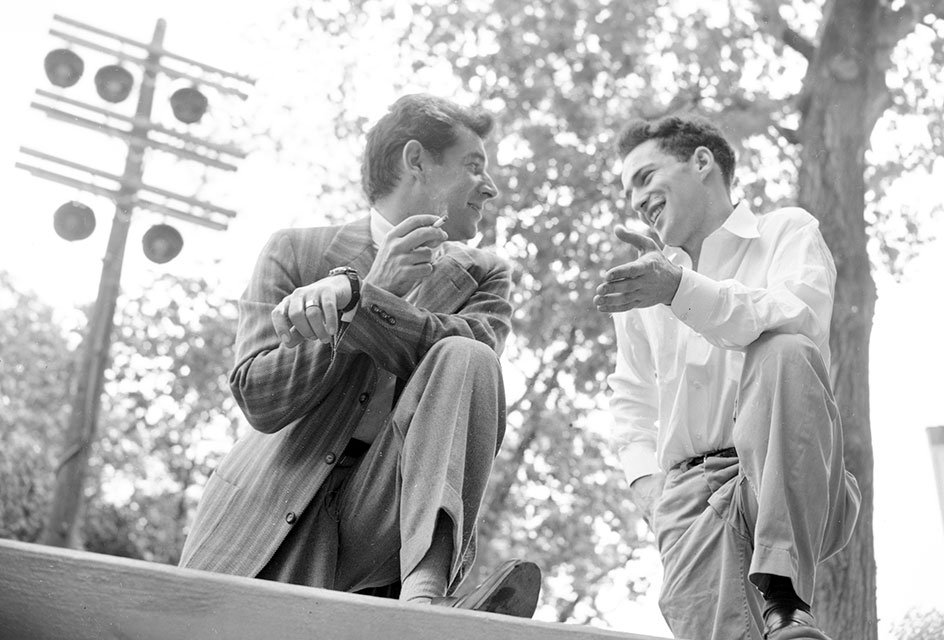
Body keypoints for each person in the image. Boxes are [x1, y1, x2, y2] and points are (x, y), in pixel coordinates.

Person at [179, 93, 540, 617]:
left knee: (466, 356)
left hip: (389, 512)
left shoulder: (484, 274)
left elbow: (478, 354)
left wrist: (362, 302)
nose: (490, 186)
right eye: (473, 165)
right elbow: (259, 398)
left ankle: (427, 600)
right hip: (275, 502)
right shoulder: (295, 251)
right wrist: (374, 284)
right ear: (416, 160)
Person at [594, 115, 861, 640]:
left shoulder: (786, 231)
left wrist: (682, 291)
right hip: (689, 498)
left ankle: (785, 599)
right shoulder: (644, 286)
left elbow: (799, 317)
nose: (636, 199)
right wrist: (649, 489)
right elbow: (631, 399)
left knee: (784, 347)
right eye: (628, 191)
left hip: (790, 472)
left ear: (701, 162)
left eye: (645, 177)